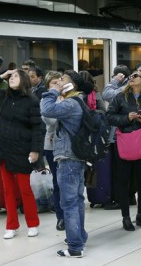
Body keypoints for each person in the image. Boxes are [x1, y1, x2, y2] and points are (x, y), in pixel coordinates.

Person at [0, 69, 43, 239]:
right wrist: (1, 75)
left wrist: (35, 150)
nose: (11, 79)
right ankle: (11, 225)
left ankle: (33, 223)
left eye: (15, 76)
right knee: (8, 190)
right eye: (11, 77)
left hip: (22, 151)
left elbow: (38, 127)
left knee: (24, 189)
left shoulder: (31, 101)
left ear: (23, 81)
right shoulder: (4, 96)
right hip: (3, 150)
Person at [40, 70, 88, 258]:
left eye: (63, 80)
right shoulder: (77, 101)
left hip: (68, 158)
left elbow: (46, 109)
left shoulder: (70, 103)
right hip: (75, 157)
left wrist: (52, 92)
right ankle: (79, 237)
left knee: (69, 203)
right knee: (77, 200)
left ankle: (75, 246)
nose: (59, 82)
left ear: (72, 85)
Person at [106, 71, 141, 231]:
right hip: (123, 144)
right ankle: (126, 217)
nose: (132, 78)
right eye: (131, 76)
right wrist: (126, 118)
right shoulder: (120, 97)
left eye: (135, 76)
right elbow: (109, 116)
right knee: (123, 181)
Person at [40, 71, 65, 231]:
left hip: (69, 146)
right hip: (52, 145)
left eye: (59, 82)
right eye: (53, 83)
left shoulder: (69, 97)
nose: (57, 85)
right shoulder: (46, 100)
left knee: (68, 182)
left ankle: (70, 213)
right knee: (57, 182)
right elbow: (51, 120)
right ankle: (60, 217)